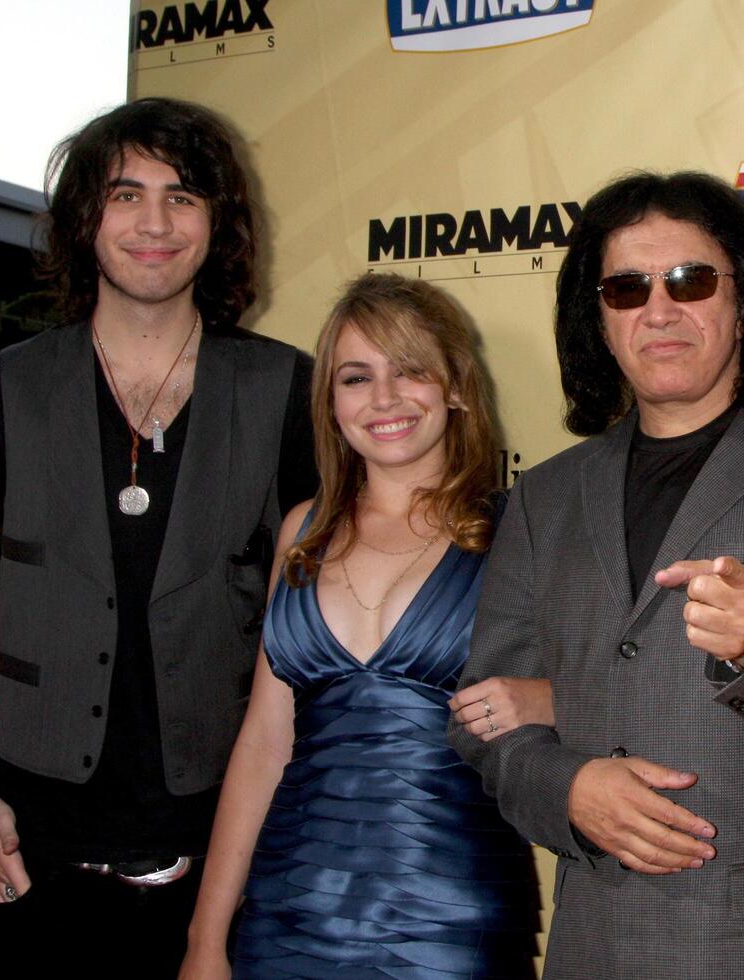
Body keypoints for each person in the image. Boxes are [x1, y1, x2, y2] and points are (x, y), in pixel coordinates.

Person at [448, 171, 744, 978]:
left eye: (691, 280)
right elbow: (480, 716)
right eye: (627, 288)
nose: (659, 310)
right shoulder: (545, 497)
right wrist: (567, 788)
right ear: (597, 319)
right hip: (598, 946)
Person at [0, 98, 315, 977]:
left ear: (219, 223)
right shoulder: (1, 388)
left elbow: (324, 623)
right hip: (36, 844)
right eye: (126, 195)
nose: (155, 224)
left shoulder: (288, 390)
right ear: (85, 218)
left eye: (183, 196)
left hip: (228, 835)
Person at [180, 273, 542, 980]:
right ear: (332, 402)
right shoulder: (301, 532)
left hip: (450, 923)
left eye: (410, 370)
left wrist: (547, 699)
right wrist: (205, 937)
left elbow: (616, 691)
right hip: (286, 917)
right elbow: (262, 743)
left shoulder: (519, 534)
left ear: (456, 387)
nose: (384, 399)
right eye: (356, 377)